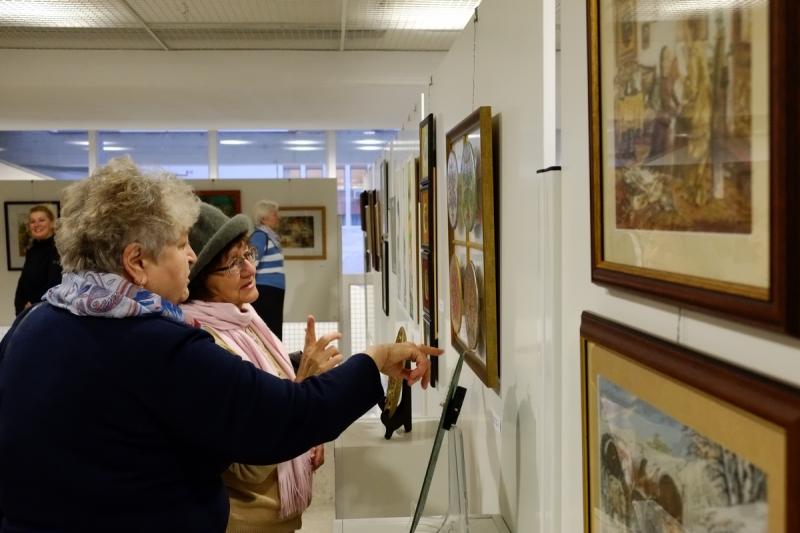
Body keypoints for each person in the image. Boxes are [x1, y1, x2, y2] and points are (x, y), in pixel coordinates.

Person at [0, 157, 441, 533]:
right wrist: (375, 359)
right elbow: (289, 417)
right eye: (180, 245)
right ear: (136, 261)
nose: (192, 256)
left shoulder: (34, 322)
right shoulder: (154, 344)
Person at [181, 203, 339, 533]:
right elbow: (248, 461)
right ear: (201, 277)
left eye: (248, 254)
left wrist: (307, 429)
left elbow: (273, 396)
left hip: (275, 516)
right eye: (233, 263)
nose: (250, 268)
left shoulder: (245, 320)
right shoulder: (206, 342)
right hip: (245, 522)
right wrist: (304, 392)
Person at [13, 204, 62, 315]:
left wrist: (34, 305)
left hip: (48, 312)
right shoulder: (32, 250)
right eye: (32, 221)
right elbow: (23, 283)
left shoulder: (59, 249)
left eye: (41, 220)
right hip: (27, 312)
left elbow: (55, 284)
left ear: (52, 223)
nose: (36, 225)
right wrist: (21, 306)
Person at [250, 200, 286, 339]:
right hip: (265, 291)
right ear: (263, 218)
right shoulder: (260, 236)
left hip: (272, 291)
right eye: (274, 214)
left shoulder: (270, 237)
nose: (278, 217)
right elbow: (251, 262)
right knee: (270, 330)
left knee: (274, 328)